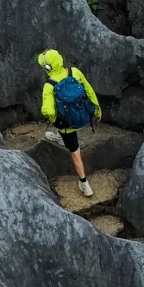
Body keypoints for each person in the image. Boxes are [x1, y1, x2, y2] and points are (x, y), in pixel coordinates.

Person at [37, 49, 101, 197]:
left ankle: (84, 184)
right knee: (67, 137)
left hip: (67, 125)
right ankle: (59, 136)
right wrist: (97, 111)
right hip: (83, 117)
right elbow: (89, 91)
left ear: (47, 67)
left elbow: (47, 110)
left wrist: (56, 121)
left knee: (75, 153)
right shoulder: (75, 72)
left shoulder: (49, 85)